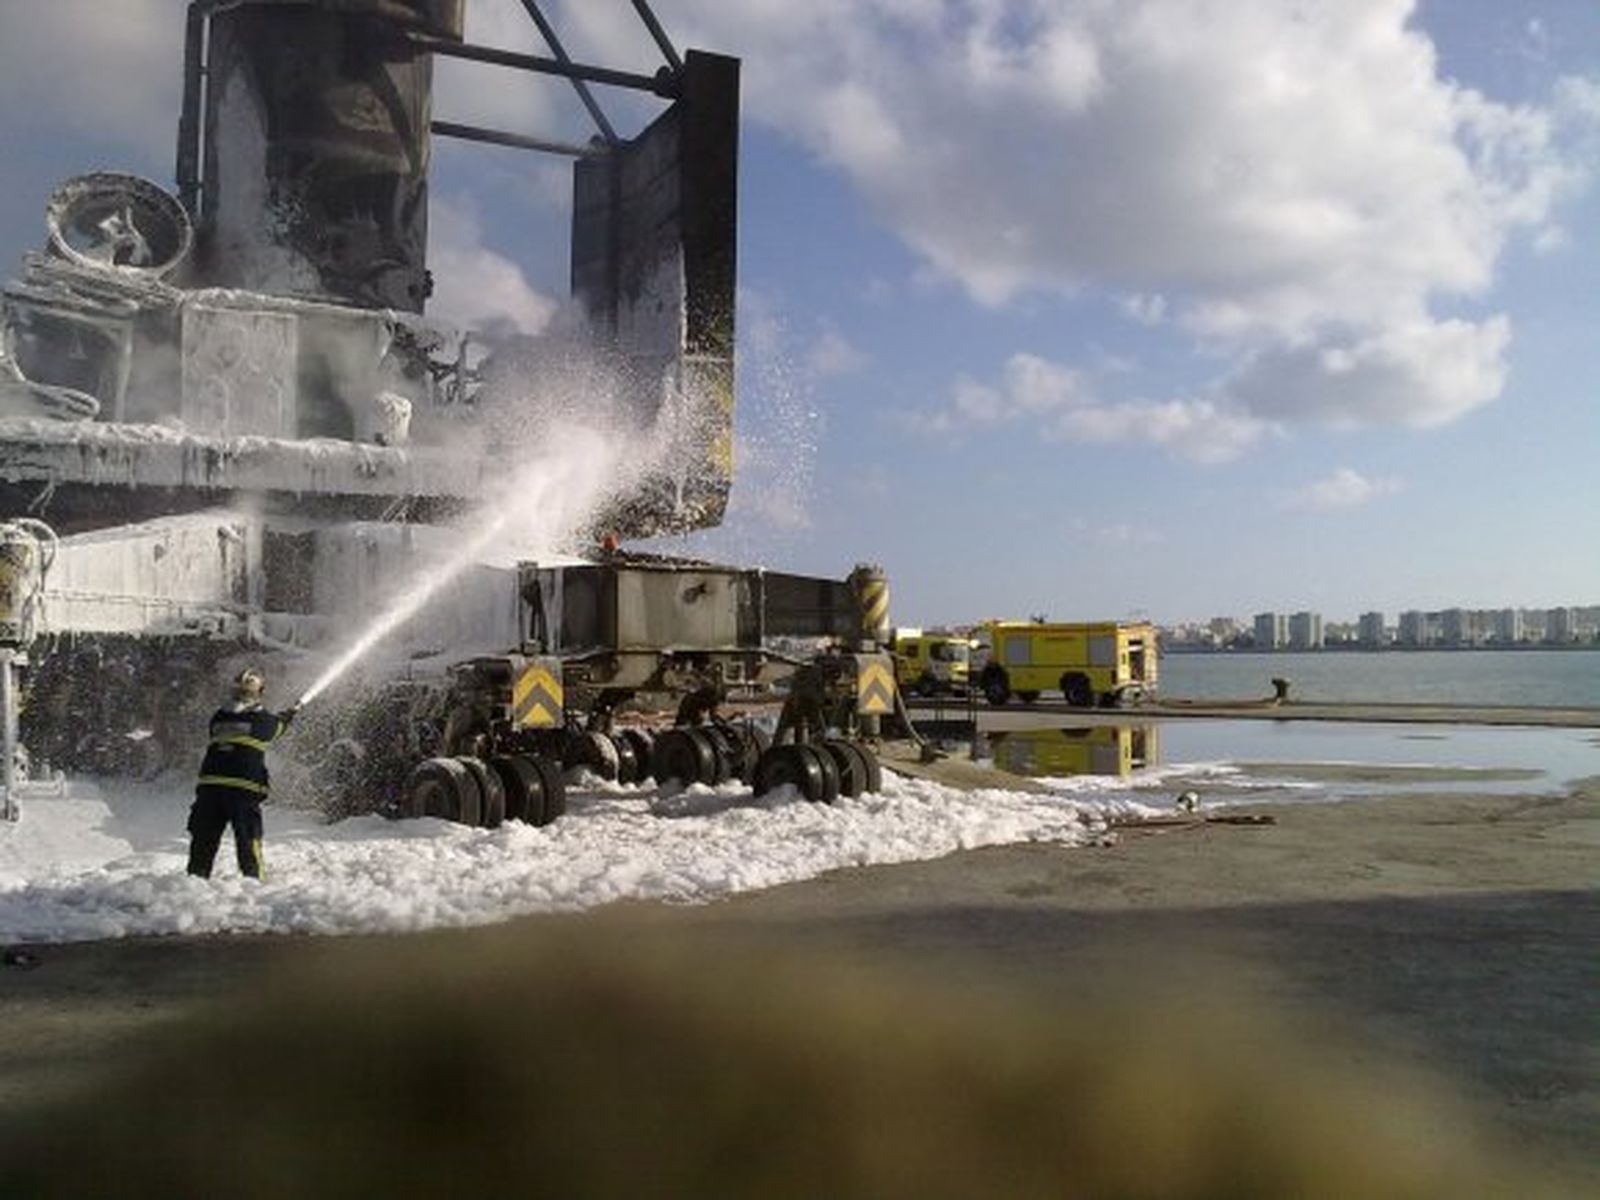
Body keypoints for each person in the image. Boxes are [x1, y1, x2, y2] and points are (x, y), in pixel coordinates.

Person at [186, 667, 297, 880]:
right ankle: (254, 884)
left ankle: (194, 884)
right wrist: (288, 716)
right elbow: (276, 729)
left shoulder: (218, 717)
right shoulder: (263, 721)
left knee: (203, 840)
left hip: (210, 789)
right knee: (248, 839)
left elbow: (246, 722)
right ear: (258, 692)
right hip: (242, 790)